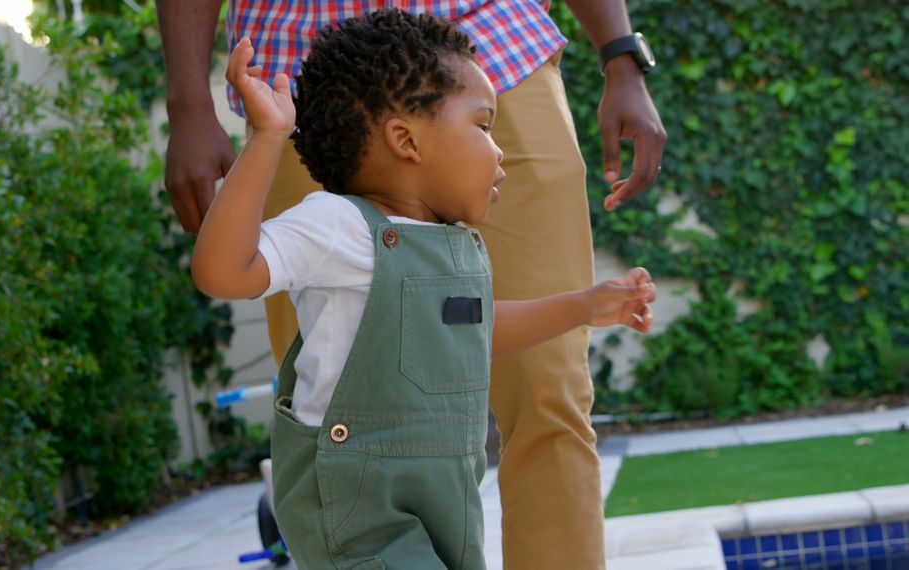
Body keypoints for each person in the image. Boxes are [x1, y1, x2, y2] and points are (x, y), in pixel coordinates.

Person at [157, 0, 666, 567]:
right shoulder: (331, 225)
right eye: (484, 131)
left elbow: (471, 328)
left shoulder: (458, 251)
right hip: (298, 69)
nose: (499, 152)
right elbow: (226, 271)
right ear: (405, 141)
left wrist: (583, 305)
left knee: (552, 396)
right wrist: (247, 131)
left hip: (498, 43)